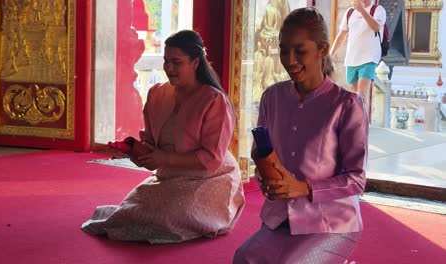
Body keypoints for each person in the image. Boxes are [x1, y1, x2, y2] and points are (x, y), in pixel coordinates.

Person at [82, 30, 245, 244]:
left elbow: (212, 160)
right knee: (129, 213)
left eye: (176, 62)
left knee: (171, 217)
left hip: (210, 178)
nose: (169, 68)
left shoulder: (214, 101)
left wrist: (164, 159)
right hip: (168, 176)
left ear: (195, 63)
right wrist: (134, 152)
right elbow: (151, 144)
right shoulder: (157, 94)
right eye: (166, 61)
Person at [233, 7, 368, 263]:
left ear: (323, 50)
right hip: (280, 218)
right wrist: (266, 179)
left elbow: (357, 180)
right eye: (284, 50)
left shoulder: (347, 105)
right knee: (243, 259)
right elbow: (260, 154)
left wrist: (302, 188)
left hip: (331, 222)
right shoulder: (272, 98)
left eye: (300, 51)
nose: (290, 60)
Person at [330, 0, 386, 108]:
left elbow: (376, 27)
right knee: (354, 94)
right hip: (352, 58)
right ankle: (356, 119)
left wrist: (362, 11)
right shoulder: (350, 12)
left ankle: (361, 122)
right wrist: (331, 54)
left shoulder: (378, 10)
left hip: (370, 57)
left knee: (361, 92)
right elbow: (342, 35)